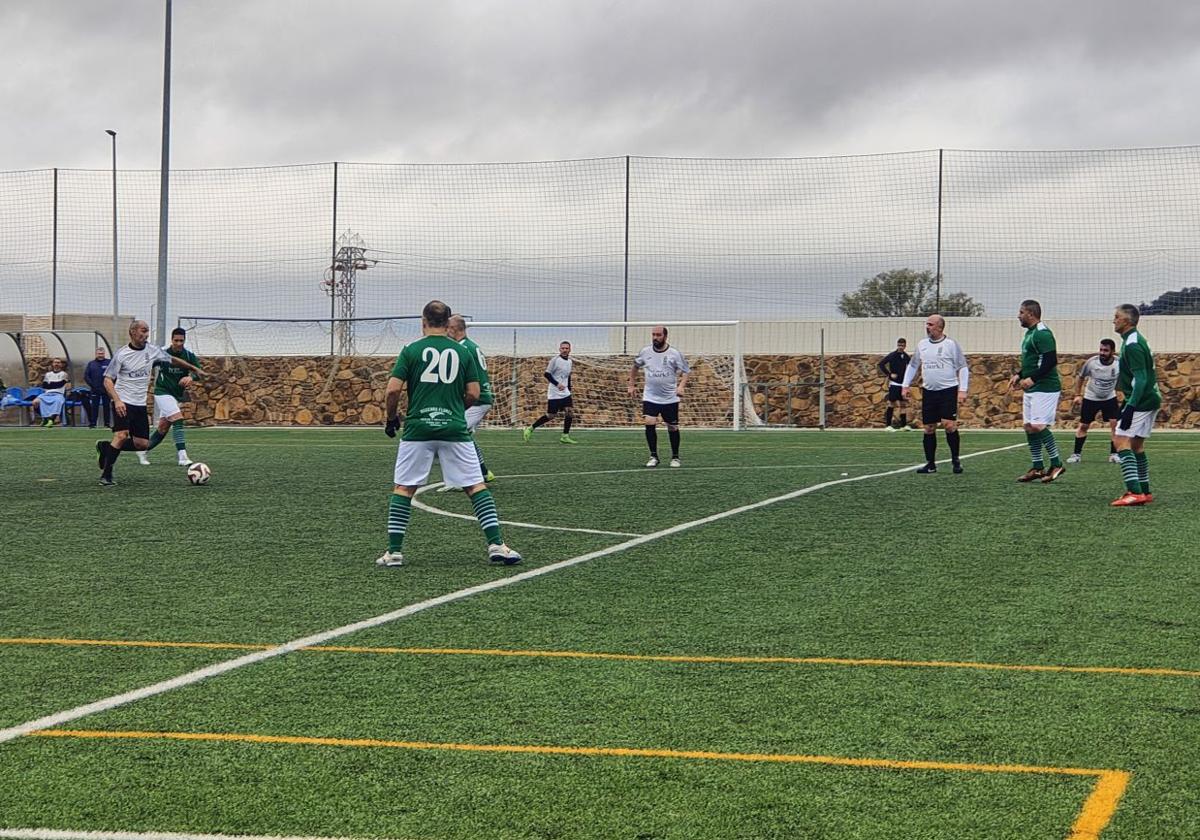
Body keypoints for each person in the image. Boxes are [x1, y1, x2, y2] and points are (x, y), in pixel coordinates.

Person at [377, 300, 521, 567]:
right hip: (454, 428)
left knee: (404, 488)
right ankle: (496, 545)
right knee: (475, 486)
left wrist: (391, 419)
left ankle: (394, 552)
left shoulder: (410, 350)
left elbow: (392, 390)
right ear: (447, 324)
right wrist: (455, 409)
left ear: (423, 322)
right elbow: (474, 393)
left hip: (418, 428)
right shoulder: (462, 351)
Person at [95, 320, 203, 487]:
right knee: (121, 435)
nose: (146, 335)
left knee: (142, 444)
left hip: (139, 404)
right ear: (132, 332)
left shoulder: (153, 351)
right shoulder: (122, 354)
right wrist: (117, 401)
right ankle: (106, 475)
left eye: (147, 332)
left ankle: (105, 448)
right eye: (143, 331)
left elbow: (173, 360)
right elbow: (108, 381)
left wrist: (194, 369)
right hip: (123, 401)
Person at [900, 314, 968, 474]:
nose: (927, 327)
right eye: (927, 324)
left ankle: (955, 460)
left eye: (930, 324)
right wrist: (905, 385)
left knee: (949, 425)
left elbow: (962, 367)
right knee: (929, 428)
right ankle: (930, 464)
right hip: (929, 391)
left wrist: (963, 390)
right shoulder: (922, 344)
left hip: (948, 390)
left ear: (939, 327)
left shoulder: (950, 345)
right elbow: (913, 365)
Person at [1110, 304, 1162, 506]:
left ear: (1127, 321)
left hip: (1142, 401)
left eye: (1117, 317)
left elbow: (1140, 379)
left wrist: (1130, 406)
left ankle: (1134, 492)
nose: (1113, 320)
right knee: (1137, 445)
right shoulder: (1133, 340)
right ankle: (1145, 491)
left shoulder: (1132, 344)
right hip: (1149, 399)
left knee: (1120, 440)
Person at [1010, 300, 1065, 483]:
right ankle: (1038, 467)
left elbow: (1050, 361)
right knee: (1029, 426)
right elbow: (1034, 361)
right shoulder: (1030, 333)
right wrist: (1019, 375)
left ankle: (1057, 463)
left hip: (1045, 388)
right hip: (1034, 388)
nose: (1018, 315)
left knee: (1038, 426)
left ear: (1031, 314)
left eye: (1021, 312)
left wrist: (1032, 378)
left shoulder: (1042, 334)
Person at [439, 315, 496, 490]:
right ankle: (484, 472)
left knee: (452, 434)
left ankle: (460, 479)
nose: (446, 331)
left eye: (448, 328)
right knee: (464, 434)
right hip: (480, 398)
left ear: (454, 329)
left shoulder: (461, 348)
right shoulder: (471, 346)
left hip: (477, 400)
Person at [137, 327, 202, 466]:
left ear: (184, 340)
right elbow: (147, 364)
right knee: (178, 419)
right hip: (162, 392)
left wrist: (191, 377)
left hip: (175, 396)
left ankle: (143, 450)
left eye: (181, 340)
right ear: (171, 340)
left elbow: (198, 372)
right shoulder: (163, 354)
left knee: (163, 428)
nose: (178, 343)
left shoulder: (189, 356)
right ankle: (183, 456)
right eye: (176, 340)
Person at [628, 325, 690, 468]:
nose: (655, 338)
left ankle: (675, 457)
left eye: (658, 335)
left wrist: (681, 386)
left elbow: (686, 371)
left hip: (669, 397)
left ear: (665, 336)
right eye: (653, 335)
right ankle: (653, 456)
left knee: (672, 427)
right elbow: (635, 367)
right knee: (649, 422)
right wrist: (631, 385)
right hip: (650, 396)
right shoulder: (645, 352)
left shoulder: (674, 353)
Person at [1067, 338, 1121, 464]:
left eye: (1106, 350)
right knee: (1084, 426)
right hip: (1091, 397)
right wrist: (1077, 395)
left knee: (1115, 425)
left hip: (1109, 397)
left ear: (1112, 351)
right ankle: (1076, 455)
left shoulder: (1119, 363)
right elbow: (1081, 377)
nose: (1102, 353)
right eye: (1101, 350)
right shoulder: (1091, 362)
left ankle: (1114, 454)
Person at [523, 341, 577, 444]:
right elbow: (547, 374)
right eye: (563, 348)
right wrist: (557, 384)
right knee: (551, 415)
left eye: (567, 348)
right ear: (559, 349)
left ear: (570, 349)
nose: (565, 350)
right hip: (554, 393)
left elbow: (568, 376)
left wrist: (569, 389)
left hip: (565, 392)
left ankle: (565, 436)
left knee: (569, 411)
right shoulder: (555, 360)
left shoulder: (570, 362)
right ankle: (530, 428)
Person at [877, 337, 912, 430]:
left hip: (903, 384)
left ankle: (903, 425)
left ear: (905, 346)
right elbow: (881, 364)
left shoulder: (906, 356)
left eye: (903, 345)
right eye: (899, 345)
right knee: (891, 403)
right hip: (894, 384)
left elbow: (910, 367)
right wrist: (889, 374)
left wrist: (908, 381)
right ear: (897, 345)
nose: (901, 347)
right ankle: (888, 425)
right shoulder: (892, 355)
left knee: (903, 404)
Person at [31, 358, 70, 426]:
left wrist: (51, 384)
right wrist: (54, 384)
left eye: (58, 363)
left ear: (61, 364)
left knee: (57, 402)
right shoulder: (48, 374)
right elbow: (45, 385)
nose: (56, 364)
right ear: (52, 364)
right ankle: (45, 418)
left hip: (58, 394)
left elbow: (60, 384)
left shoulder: (64, 374)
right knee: (35, 402)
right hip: (47, 393)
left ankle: (51, 419)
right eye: (55, 362)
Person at [83, 347, 112, 428]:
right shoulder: (91, 364)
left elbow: (114, 374)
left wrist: (110, 385)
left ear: (104, 354)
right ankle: (93, 423)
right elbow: (86, 376)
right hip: (95, 389)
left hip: (106, 389)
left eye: (102, 353)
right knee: (94, 407)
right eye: (99, 354)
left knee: (106, 406)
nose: (100, 355)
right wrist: (92, 385)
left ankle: (107, 424)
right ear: (96, 354)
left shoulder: (109, 362)